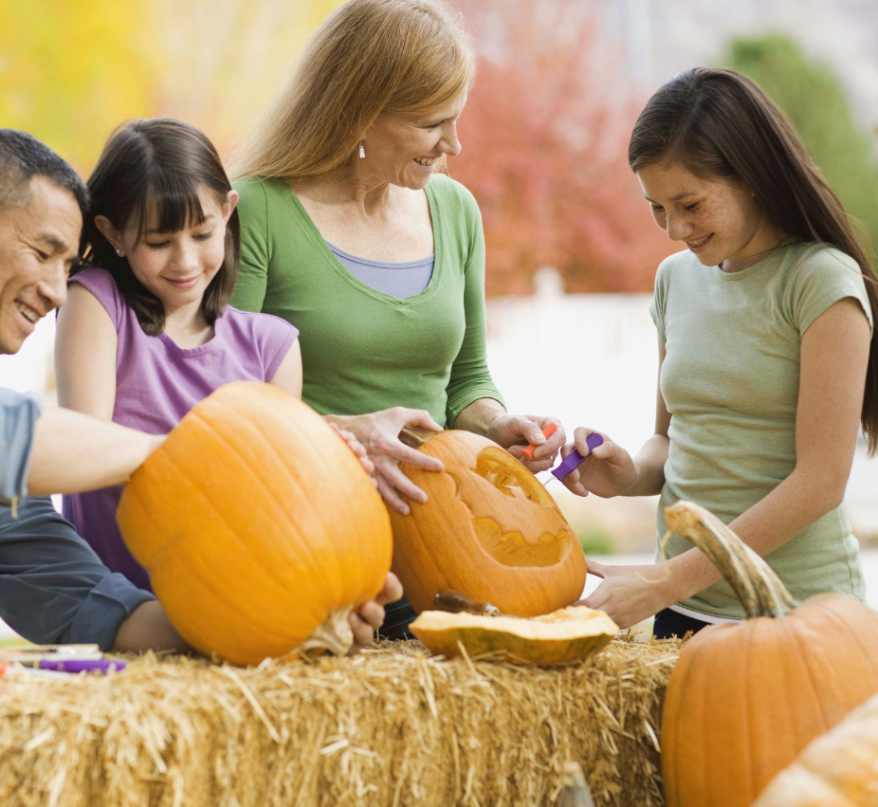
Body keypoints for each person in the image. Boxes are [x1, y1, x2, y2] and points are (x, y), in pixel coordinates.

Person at [0, 127, 396, 656]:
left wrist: (284, 622)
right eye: (42, 253)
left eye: (67, 265)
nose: (57, 293)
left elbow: (102, 609)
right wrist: (199, 458)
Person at [227, 0, 565, 638]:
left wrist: (499, 425)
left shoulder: (456, 211)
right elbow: (226, 407)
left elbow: (466, 378)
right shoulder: (257, 208)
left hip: (441, 550)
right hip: (312, 548)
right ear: (359, 111)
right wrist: (347, 432)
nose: (454, 145)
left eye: (456, 121)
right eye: (432, 124)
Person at [562, 68, 878, 639]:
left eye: (690, 204)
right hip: (684, 611)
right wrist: (629, 473)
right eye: (656, 207)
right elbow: (672, 439)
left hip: (796, 616)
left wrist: (663, 581)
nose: (672, 228)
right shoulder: (675, 280)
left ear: (752, 177)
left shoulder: (821, 282)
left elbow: (820, 483)